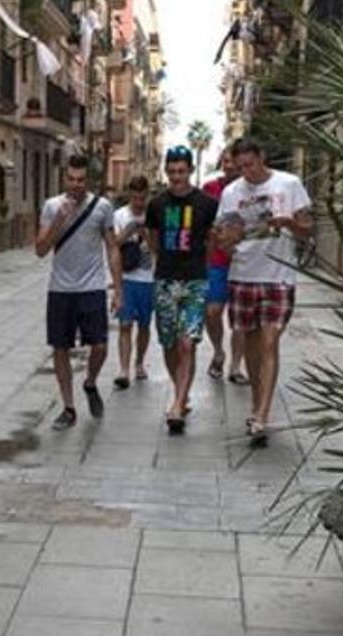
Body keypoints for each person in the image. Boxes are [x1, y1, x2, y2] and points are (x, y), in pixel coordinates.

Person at [214, 137, 314, 445]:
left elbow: (308, 227)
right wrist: (227, 238)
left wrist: (288, 222)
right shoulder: (232, 193)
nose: (247, 172)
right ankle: (258, 405)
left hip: (279, 276)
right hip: (243, 275)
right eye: (241, 166)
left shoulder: (289, 183)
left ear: (262, 157)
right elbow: (224, 239)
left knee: (270, 342)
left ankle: (262, 415)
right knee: (254, 349)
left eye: (251, 164)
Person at [35, 155, 123, 429]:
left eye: (81, 180)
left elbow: (112, 246)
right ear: (65, 178)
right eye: (71, 179)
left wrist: (118, 289)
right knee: (60, 347)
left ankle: (90, 381)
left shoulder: (103, 207)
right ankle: (68, 407)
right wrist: (58, 221)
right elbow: (40, 250)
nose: (75, 185)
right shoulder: (52, 206)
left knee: (99, 345)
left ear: (88, 180)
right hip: (60, 289)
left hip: (92, 286)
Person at [146, 146, 220, 434]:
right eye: (172, 171)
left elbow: (212, 241)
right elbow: (152, 239)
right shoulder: (157, 204)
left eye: (181, 171)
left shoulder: (206, 204)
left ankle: (177, 404)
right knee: (168, 343)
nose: (177, 177)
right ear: (167, 171)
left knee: (187, 342)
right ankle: (182, 391)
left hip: (195, 281)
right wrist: (161, 263)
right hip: (165, 279)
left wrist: (201, 268)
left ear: (190, 170)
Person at [201, 148, 248, 385]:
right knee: (212, 312)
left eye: (234, 162)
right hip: (216, 261)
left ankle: (236, 365)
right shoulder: (210, 189)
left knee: (239, 318)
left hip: (242, 261)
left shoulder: (249, 190)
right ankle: (219, 350)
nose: (230, 166)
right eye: (226, 161)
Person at [112, 175, 154, 389]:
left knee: (145, 326)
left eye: (142, 198)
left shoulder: (153, 216)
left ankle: (139, 363)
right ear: (129, 195)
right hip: (127, 279)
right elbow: (112, 247)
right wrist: (128, 232)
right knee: (125, 325)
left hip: (148, 280)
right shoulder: (119, 216)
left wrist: (146, 234)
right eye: (135, 198)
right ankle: (124, 369)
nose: (139, 203)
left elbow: (157, 250)